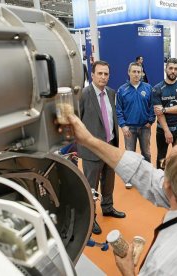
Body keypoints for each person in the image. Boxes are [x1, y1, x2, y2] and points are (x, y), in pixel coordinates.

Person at [67, 115, 177, 276]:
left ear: (167, 185)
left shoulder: (164, 266)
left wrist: (128, 271)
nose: (159, 172)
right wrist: (88, 140)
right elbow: (144, 174)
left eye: (163, 165)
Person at [77, 60, 126, 235]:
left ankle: (108, 207)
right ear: (92, 75)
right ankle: (91, 218)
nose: (103, 77)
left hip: (110, 146)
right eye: (100, 73)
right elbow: (76, 121)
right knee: (91, 186)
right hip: (91, 151)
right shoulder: (83, 95)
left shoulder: (111, 93)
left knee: (108, 182)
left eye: (106, 74)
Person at [116, 62, 155, 189]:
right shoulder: (122, 90)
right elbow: (119, 110)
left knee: (147, 153)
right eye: (134, 71)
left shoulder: (148, 88)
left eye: (139, 72)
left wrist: (150, 121)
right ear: (129, 72)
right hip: (129, 128)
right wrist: (123, 125)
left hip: (145, 127)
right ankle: (129, 178)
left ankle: (148, 176)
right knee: (129, 154)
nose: (137, 74)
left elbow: (152, 106)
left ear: (142, 73)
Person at [152, 58, 177, 169]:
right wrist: (167, 131)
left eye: (176, 69)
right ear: (166, 69)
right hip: (162, 130)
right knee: (161, 157)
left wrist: (165, 109)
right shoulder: (157, 88)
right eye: (171, 68)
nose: (173, 71)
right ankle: (160, 181)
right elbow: (159, 113)